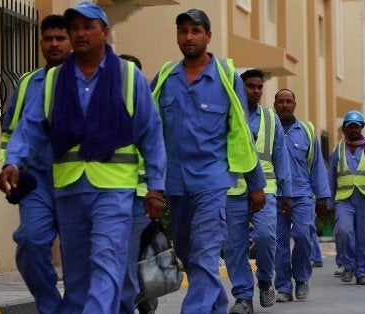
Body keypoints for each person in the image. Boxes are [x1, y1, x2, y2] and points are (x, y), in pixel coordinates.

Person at [0, 3, 167, 313]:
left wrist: (155, 186)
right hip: (69, 189)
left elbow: (151, 134)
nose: (79, 33)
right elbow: (29, 127)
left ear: (105, 32)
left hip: (113, 190)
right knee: (77, 276)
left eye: (88, 26)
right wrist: (13, 161)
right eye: (74, 27)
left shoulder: (128, 76)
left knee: (106, 260)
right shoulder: (54, 80)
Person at [149, 9, 266, 313]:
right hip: (175, 182)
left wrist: (255, 184)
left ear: (208, 36)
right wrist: (151, 185)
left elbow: (241, 133)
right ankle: (215, 305)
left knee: (204, 253)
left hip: (212, 182)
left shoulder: (226, 78)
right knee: (187, 253)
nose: (189, 36)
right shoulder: (164, 78)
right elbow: (149, 132)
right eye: (183, 30)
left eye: (196, 30)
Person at [0, 14, 71, 314]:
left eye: (60, 38)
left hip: (77, 179)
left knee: (79, 255)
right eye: (47, 38)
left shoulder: (86, 79)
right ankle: (50, 306)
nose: (53, 44)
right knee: (29, 242)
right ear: (40, 42)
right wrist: (10, 165)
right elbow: (12, 131)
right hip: (37, 181)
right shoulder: (28, 83)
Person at [222, 69, 292, 313]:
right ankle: (242, 296)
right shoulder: (228, 114)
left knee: (265, 236)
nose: (255, 91)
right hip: (232, 189)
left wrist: (287, 193)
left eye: (259, 87)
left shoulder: (271, 119)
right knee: (234, 246)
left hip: (266, 189)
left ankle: (264, 279)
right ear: (241, 87)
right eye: (250, 86)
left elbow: (281, 157)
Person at [273, 88, 330, 300]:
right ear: (275, 104)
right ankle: (283, 287)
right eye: (280, 101)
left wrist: (322, 197)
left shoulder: (306, 131)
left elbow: (316, 166)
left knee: (304, 236)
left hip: (302, 195)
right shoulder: (269, 129)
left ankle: (302, 278)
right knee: (278, 242)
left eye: (289, 101)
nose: (285, 105)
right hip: (275, 196)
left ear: (295, 105)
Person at [116, 54, 158, 314]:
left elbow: (156, 151)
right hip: (113, 193)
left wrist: (155, 190)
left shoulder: (148, 109)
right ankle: (143, 299)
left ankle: (131, 304)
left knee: (128, 257)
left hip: (140, 197)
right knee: (123, 257)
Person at [328, 110, 365, 285]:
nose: (354, 129)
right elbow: (331, 177)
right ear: (344, 129)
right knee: (343, 231)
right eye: (350, 126)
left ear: (361, 127)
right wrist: (329, 203)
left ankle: (361, 272)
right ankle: (348, 265)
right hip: (344, 199)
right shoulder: (338, 150)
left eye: (357, 126)